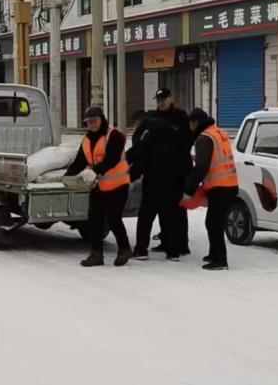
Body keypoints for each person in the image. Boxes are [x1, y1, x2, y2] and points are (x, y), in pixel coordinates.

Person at [65, 106, 133, 267]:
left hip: (119, 184)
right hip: (101, 186)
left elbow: (112, 159)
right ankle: (96, 255)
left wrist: (94, 171)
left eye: (94, 121)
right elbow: (80, 161)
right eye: (88, 122)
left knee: (113, 218)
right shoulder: (87, 140)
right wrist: (67, 175)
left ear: (101, 119)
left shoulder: (113, 135)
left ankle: (124, 249)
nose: (92, 124)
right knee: (94, 219)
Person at [127, 110, 188, 261]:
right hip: (174, 181)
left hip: (154, 181)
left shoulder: (146, 131)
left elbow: (140, 155)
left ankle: (141, 250)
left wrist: (130, 177)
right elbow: (184, 154)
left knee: (146, 216)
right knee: (169, 216)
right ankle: (173, 251)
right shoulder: (171, 129)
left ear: (138, 122)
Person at [184, 108, 239, 271]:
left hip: (220, 186)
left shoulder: (204, 138)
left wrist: (189, 190)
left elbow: (201, 168)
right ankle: (214, 253)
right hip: (230, 184)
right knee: (214, 221)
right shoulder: (218, 132)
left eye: (191, 124)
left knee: (214, 223)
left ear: (195, 123)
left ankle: (220, 260)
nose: (190, 127)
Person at [151, 87, 192, 255]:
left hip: (178, 169)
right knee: (162, 208)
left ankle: (182, 244)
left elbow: (188, 140)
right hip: (160, 170)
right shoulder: (155, 117)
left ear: (170, 99)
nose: (160, 103)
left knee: (178, 209)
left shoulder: (181, 116)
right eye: (158, 100)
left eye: (163, 99)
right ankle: (166, 241)